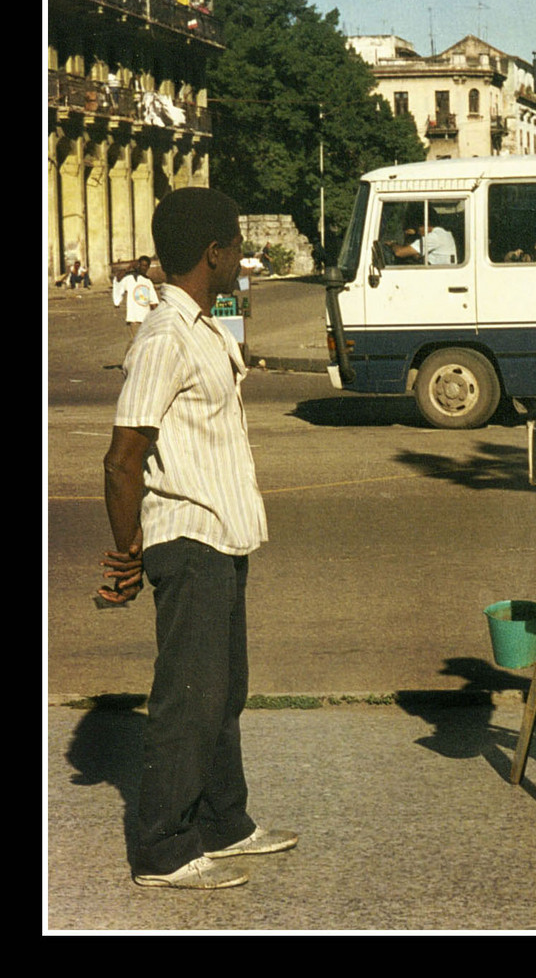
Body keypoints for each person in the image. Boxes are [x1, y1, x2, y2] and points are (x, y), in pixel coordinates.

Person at [99, 187, 298, 889]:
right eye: (237, 248)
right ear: (214, 254)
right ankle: (163, 847)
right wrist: (125, 555)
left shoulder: (205, 323)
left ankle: (224, 822)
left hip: (222, 533)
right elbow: (123, 457)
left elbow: (235, 349)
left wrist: (235, 299)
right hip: (187, 538)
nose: (243, 258)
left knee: (222, 688)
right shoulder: (163, 337)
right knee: (189, 695)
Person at [112, 256, 159, 338]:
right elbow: (118, 278)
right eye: (142, 265)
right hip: (134, 319)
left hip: (146, 320)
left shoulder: (148, 282)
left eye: (146, 266)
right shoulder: (130, 278)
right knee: (135, 343)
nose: (143, 268)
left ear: (148, 267)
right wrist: (129, 267)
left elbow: (153, 302)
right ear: (138, 265)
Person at [391, 213, 457, 265]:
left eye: (418, 228)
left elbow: (399, 252)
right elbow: (417, 255)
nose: (418, 232)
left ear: (425, 225)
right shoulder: (443, 234)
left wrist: (392, 244)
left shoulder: (434, 237)